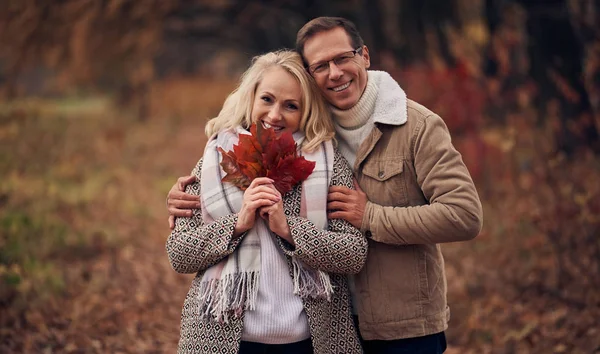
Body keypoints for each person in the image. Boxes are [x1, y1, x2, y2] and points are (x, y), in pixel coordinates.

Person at [167, 17, 483, 354]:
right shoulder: (236, 151)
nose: (334, 73)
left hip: (397, 323)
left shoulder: (407, 129)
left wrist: (365, 217)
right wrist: (222, 214)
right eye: (320, 66)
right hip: (311, 325)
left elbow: (463, 215)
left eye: (343, 58)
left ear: (365, 56)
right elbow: (181, 250)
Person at [166, 49, 366, 354]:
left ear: (306, 111)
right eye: (267, 100)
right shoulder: (216, 161)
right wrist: (238, 223)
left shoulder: (327, 165)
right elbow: (179, 254)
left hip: (311, 342)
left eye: (291, 105)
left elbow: (353, 254)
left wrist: (290, 230)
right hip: (223, 341)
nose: (275, 115)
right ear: (251, 98)